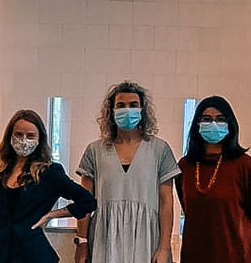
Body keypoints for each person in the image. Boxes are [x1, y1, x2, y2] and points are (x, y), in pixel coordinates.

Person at [75, 81, 179, 263]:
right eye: (121, 105)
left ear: (142, 110)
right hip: (104, 238)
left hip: (147, 238)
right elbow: (83, 202)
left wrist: (164, 247)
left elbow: (166, 202)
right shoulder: (95, 151)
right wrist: (82, 243)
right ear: (112, 111)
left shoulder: (160, 150)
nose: (127, 110)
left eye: (133, 105)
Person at [0, 109, 95, 263]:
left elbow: (87, 202)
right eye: (18, 134)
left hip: (34, 254)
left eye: (30, 136)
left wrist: (51, 215)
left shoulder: (49, 172)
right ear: (10, 136)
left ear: (39, 139)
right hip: (0, 254)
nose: (23, 140)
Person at [176, 96, 251, 263]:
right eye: (206, 119)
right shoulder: (185, 166)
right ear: (197, 124)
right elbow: (188, 207)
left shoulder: (244, 165)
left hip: (234, 255)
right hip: (194, 254)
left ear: (230, 124)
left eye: (220, 119)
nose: (214, 124)